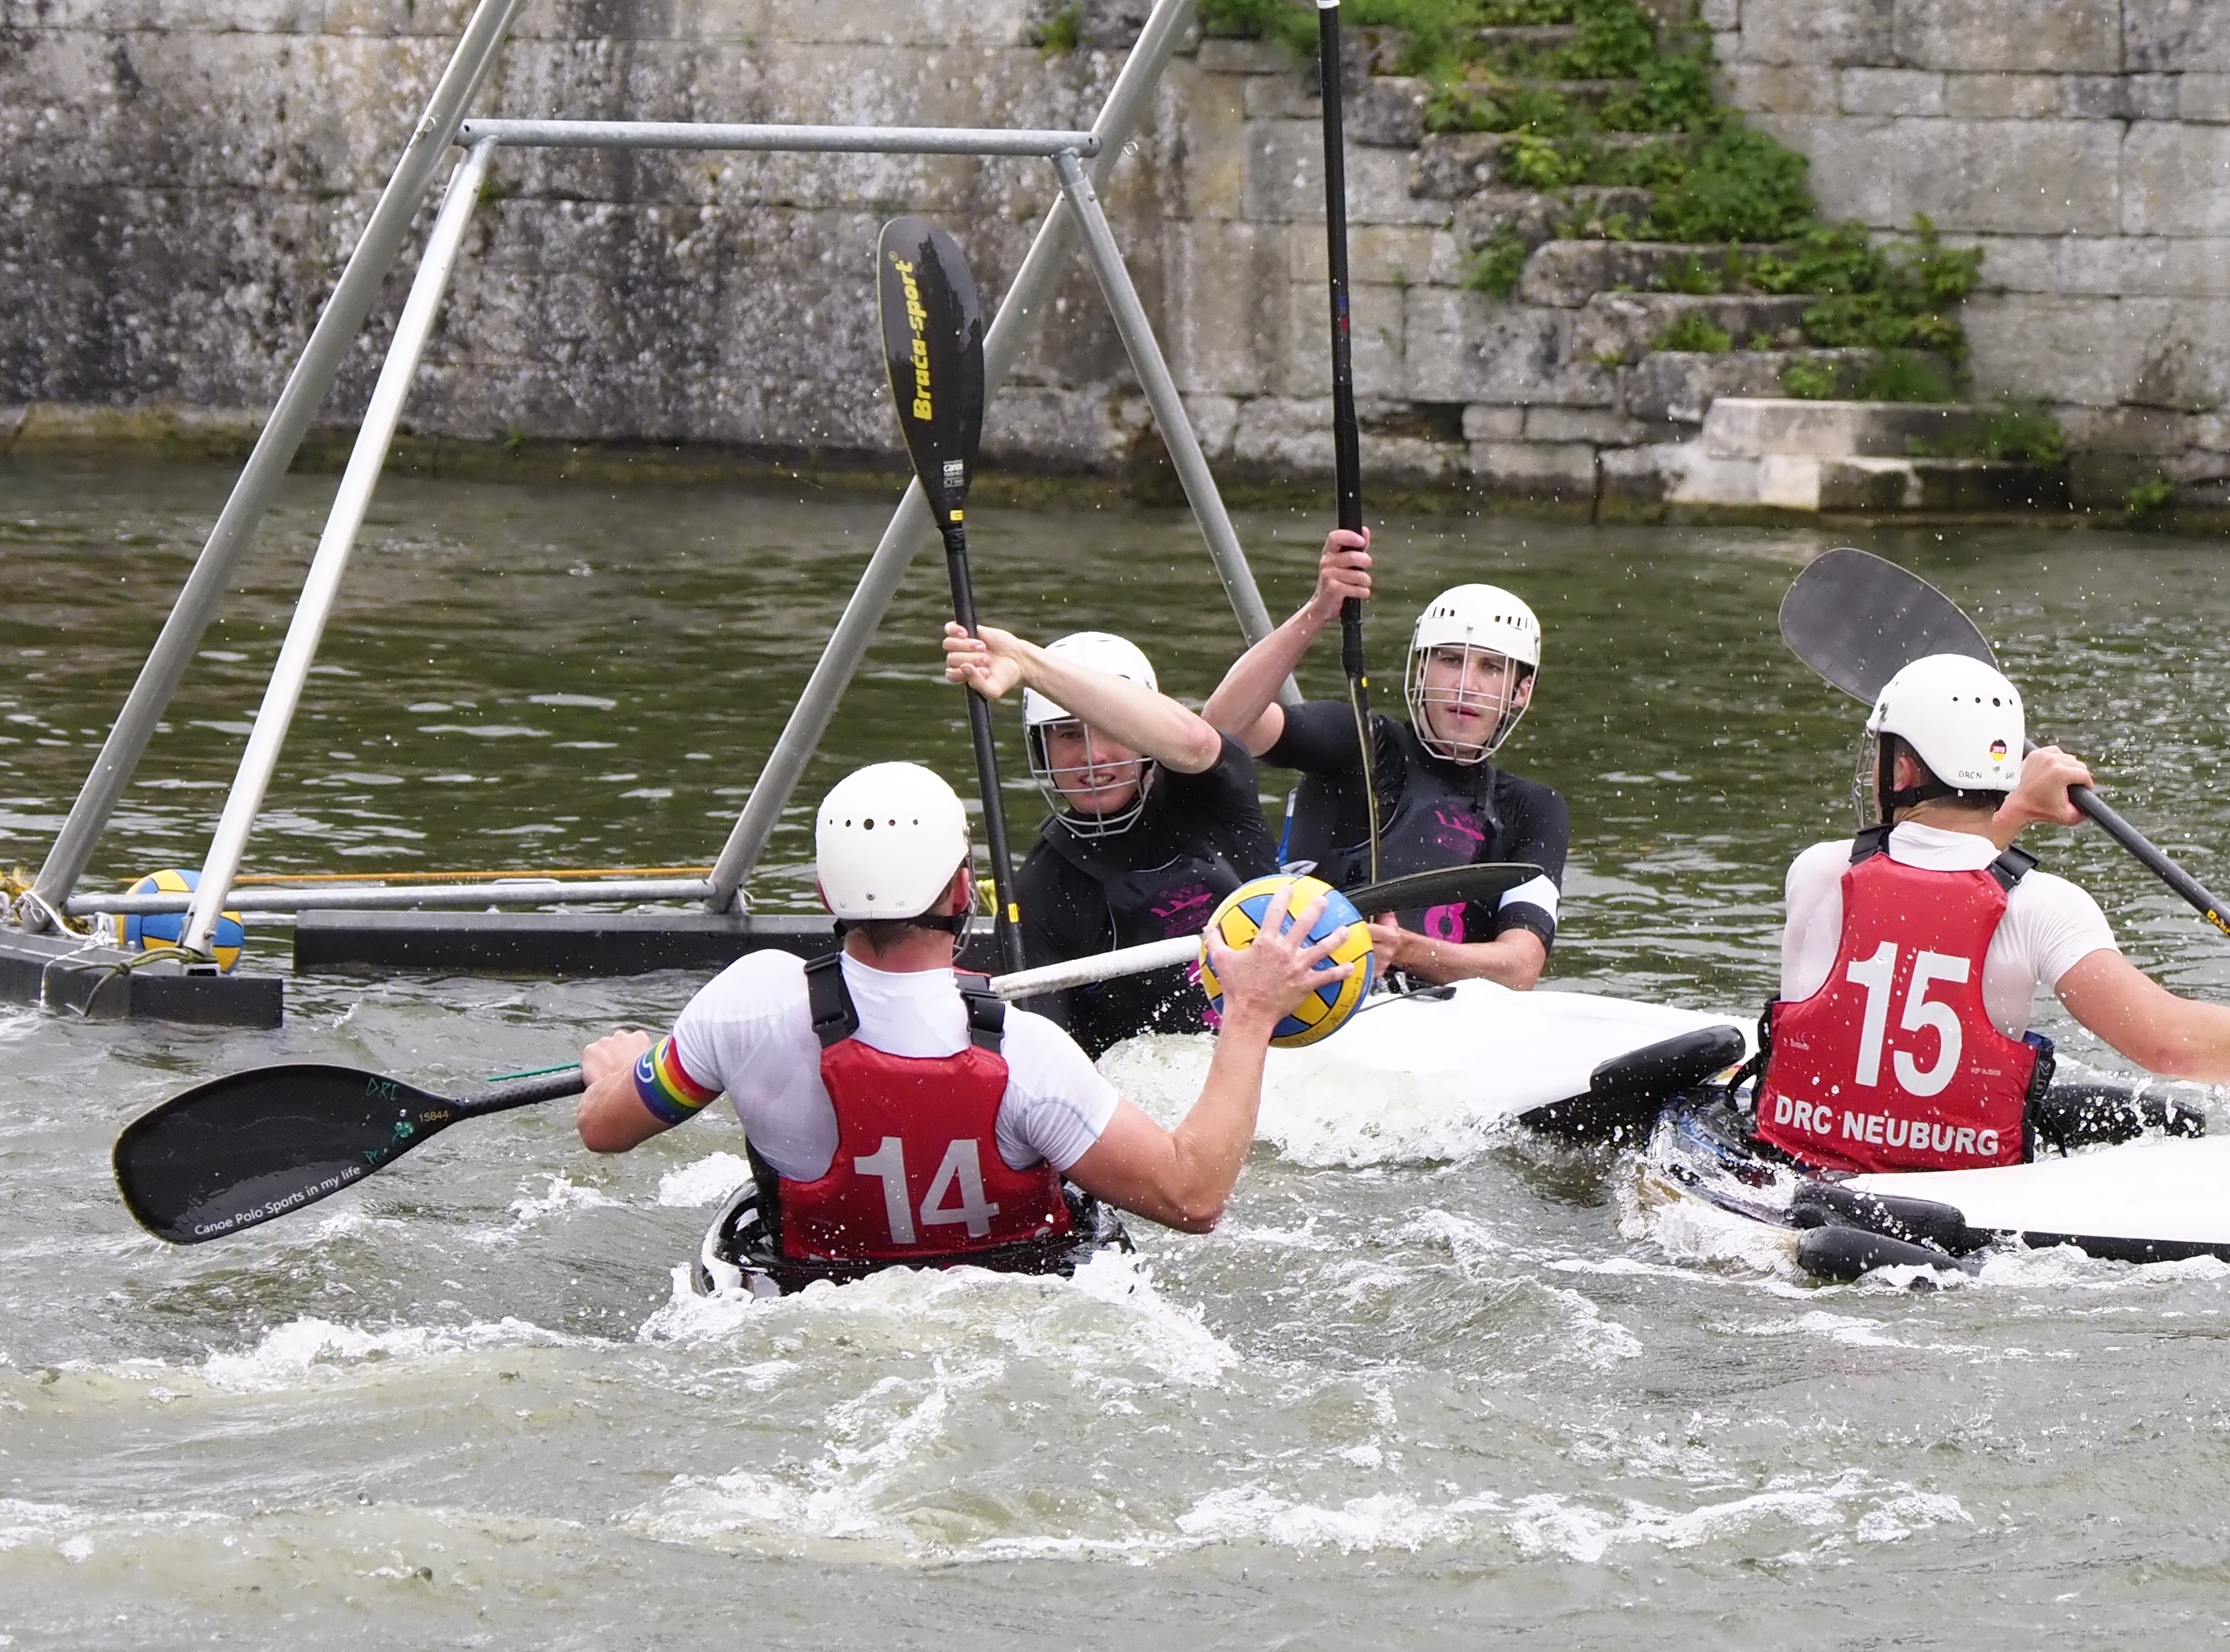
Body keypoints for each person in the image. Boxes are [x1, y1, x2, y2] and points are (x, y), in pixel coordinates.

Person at [573, 760, 1336, 1286]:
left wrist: (619, 1071)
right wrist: (1251, 1015)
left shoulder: (750, 1002)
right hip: (1011, 1315)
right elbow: (1193, 1197)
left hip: (812, 1301)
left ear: (824, 889)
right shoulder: (1030, 1052)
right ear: (964, 887)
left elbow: (605, 1130)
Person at [1747, 653, 2230, 1176]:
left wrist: (2017, 811)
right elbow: (2171, 1045)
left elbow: (1929, 875)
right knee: (2172, 1125)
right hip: (1963, 1189)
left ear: (1904, 768)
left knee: (2160, 1118)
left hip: (1794, 1164)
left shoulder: (1820, 871)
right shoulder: (2043, 906)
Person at [1194, 528, 1568, 992]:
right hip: (1316, 999)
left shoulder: (1533, 807)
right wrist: (1318, 611)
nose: (1466, 684)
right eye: (1451, 660)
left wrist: (1404, 949)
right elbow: (1223, 727)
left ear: (1520, 691)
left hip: (1449, 1022)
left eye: (1490, 668)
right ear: (1421, 668)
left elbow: (1520, 968)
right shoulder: (1357, 740)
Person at [932, 623, 1276, 1050]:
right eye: (1070, 735)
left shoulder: (1215, 791)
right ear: (1042, 749)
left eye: (1111, 730)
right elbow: (1053, 1062)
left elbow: (1192, 740)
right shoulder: (1038, 893)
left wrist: (1025, 661)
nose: (1093, 757)